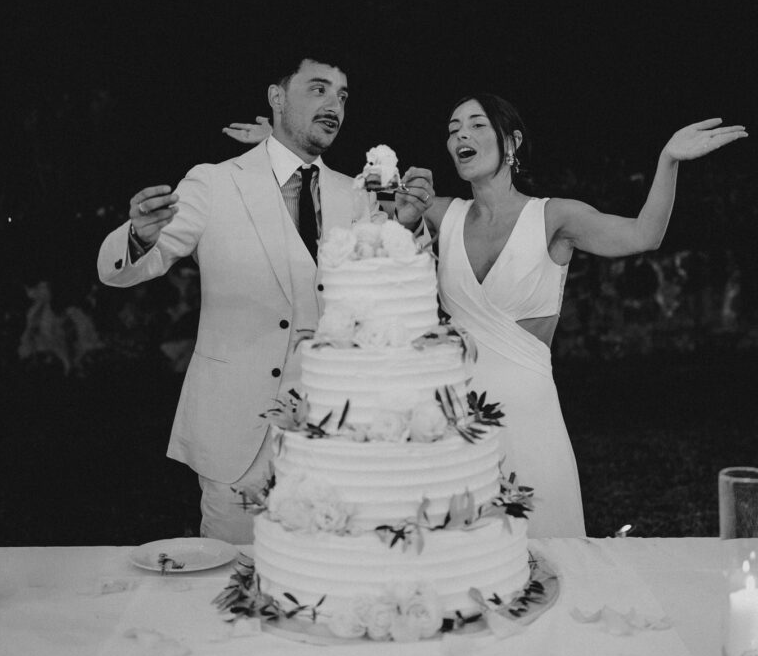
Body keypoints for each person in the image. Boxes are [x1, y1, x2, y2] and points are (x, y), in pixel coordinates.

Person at [224, 98, 747, 538]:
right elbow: (349, 196)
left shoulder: (556, 216)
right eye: (453, 129)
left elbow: (643, 235)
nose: (460, 136)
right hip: (452, 423)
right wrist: (280, 148)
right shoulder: (441, 212)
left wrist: (668, 159)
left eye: (476, 125)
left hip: (531, 416)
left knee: (548, 550)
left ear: (512, 142)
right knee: (465, 562)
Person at [97, 54, 434, 544]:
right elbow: (123, 270)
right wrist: (140, 238)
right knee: (230, 586)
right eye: (318, 89)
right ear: (277, 98)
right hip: (238, 436)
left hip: (334, 435)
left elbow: (402, 288)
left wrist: (409, 226)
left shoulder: (356, 196)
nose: (334, 105)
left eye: (342, 96)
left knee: (322, 577)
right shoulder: (214, 182)